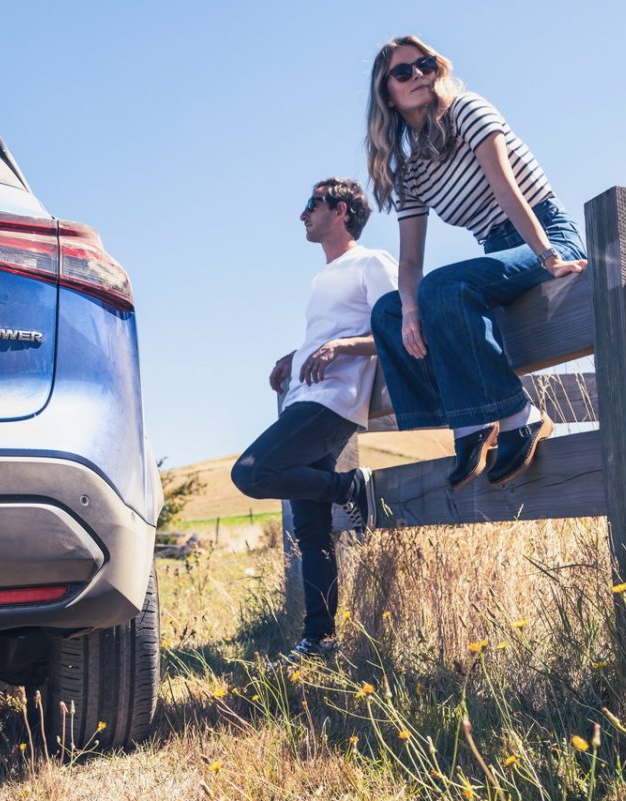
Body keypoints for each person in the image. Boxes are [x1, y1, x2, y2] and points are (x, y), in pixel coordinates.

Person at [365, 36, 588, 490]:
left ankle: (518, 415)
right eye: (404, 72)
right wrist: (410, 311)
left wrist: (549, 257)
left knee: (442, 288)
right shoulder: (411, 171)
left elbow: (507, 190)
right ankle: (468, 423)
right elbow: (409, 261)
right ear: (385, 93)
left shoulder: (466, 109)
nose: (419, 75)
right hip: (497, 251)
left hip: (544, 235)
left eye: (425, 64)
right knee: (388, 311)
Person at [231, 177, 396, 660]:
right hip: (307, 396)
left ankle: (349, 488)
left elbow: (398, 323)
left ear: (340, 211)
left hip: (332, 402)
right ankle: (320, 639)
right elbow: (334, 329)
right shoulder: (324, 276)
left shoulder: (372, 262)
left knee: (252, 472)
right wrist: (295, 353)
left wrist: (343, 346)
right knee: (311, 531)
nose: (303, 214)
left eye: (312, 205)